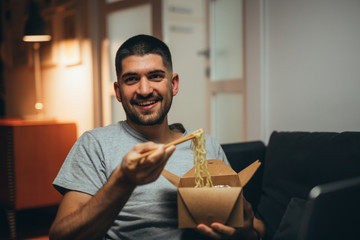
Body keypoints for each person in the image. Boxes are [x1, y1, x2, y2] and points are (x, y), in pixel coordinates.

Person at [49, 34, 265, 240]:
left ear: (173, 84)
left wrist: (244, 233)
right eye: (131, 79)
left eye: (155, 76)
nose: (144, 90)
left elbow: (255, 225)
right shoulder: (95, 144)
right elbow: (61, 235)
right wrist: (123, 180)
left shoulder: (207, 145)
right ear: (118, 91)